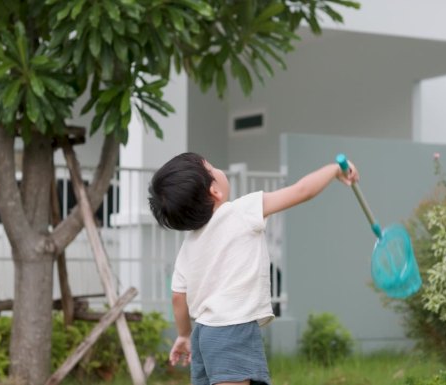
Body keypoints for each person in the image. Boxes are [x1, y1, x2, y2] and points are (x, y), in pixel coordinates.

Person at [147, 152, 359, 385]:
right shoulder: (241, 211)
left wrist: (184, 335)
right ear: (214, 191)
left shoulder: (188, 247)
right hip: (232, 329)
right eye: (213, 167)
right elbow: (302, 191)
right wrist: (334, 170)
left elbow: (178, 297)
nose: (219, 169)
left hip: (202, 334)